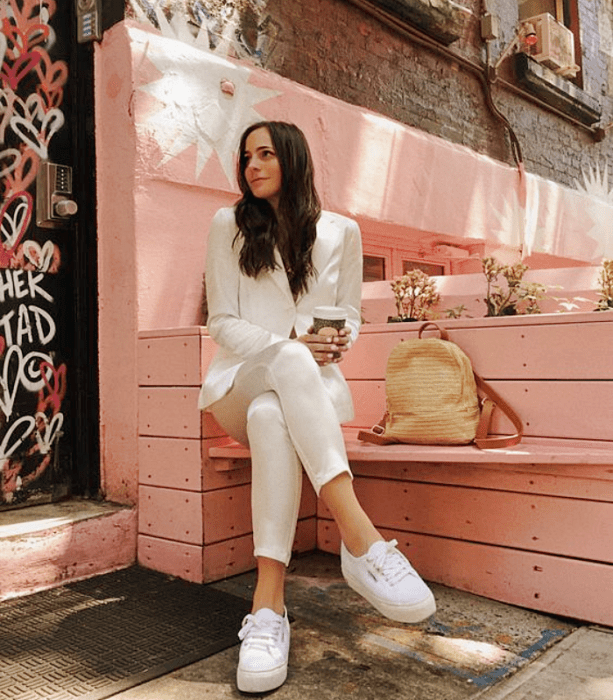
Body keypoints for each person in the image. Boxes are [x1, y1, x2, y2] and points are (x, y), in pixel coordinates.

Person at [199, 121, 435, 693]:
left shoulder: (341, 232)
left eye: (266, 155)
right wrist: (289, 349)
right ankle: (362, 540)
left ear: (294, 160)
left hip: (306, 396)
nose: (252, 166)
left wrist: (333, 339)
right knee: (272, 383)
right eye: (246, 157)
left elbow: (349, 313)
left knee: (272, 418)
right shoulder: (228, 225)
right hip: (239, 384)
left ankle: (268, 609)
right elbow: (222, 322)